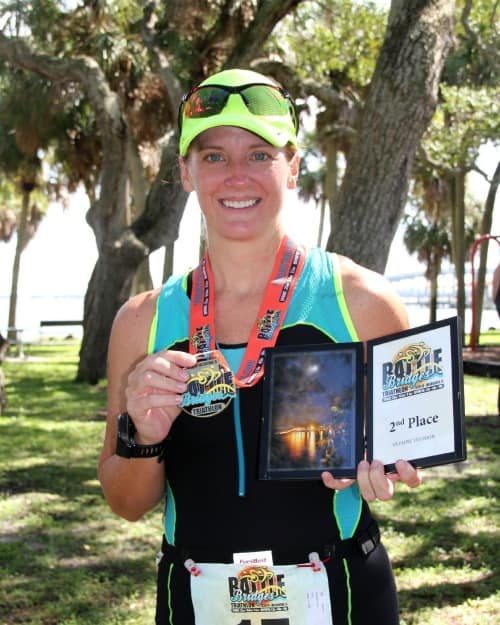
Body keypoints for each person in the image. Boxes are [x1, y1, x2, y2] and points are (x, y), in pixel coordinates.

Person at [98, 68, 422, 625]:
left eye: (259, 154)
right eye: (214, 156)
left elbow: (413, 441)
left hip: (343, 593)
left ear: (293, 167)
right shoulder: (142, 322)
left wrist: (386, 463)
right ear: (185, 172)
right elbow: (126, 504)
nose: (236, 176)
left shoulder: (362, 303)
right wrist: (143, 436)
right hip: (195, 600)